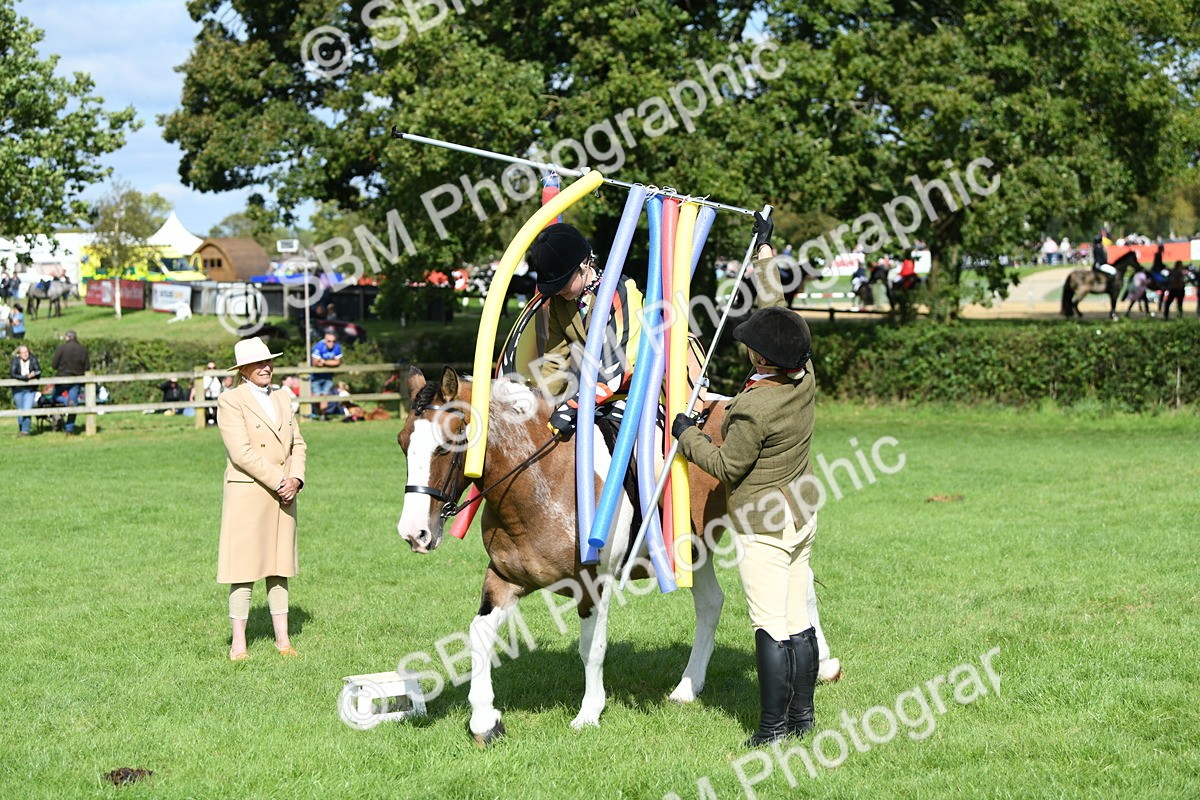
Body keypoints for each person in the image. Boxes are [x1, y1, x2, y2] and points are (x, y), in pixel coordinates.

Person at [672, 304, 820, 747]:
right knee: (798, 620)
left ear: (761, 358)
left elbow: (726, 466)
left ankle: (772, 729)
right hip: (802, 512)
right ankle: (802, 718)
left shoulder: (754, 407)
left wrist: (687, 434)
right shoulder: (805, 377)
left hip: (764, 525)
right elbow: (783, 332)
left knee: (770, 625)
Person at [217, 336, 307, 661]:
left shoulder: (283, 396)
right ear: (243, 370)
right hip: (250, 491)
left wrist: (296, 479)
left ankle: (283, 640)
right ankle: (239, 644)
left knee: (279, 567)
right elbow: (241, 452)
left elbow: (298, 443)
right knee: (242, 569)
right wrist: (280, 480)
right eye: (258, 363)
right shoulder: (230, 400)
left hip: (284, 495)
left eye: (268, 361)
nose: (266, 367)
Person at [523, 222, 643, 436]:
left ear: (584, 264)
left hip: (638, 389)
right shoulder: (560, 301)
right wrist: (534, 401)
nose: (557, 291)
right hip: (592, 394)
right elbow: (556, 360)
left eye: (562, 282)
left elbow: (620, 364)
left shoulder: (621, 292)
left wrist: (574, 406)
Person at [51, 330, 88, 434]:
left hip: (62, 378)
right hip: (76, 379)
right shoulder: (83, 349)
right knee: (74, 404)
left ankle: (66, 401)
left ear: (67, 337)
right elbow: (87, 367)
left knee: (54, 396)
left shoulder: (61, 348)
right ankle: (69, 429)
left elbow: (54, 365)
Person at [309, 328, 343, 419]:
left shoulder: (337, 347)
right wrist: (330, 362)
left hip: (328, 376)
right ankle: (318, 412)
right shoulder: (318, 346)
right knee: (317, 396)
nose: (331, 343)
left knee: (325, 395)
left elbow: (337, 362)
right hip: (315, 376)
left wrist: (324, 361)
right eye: (329, 341)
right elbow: (316, 363)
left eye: (333, 341)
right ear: (325, 340)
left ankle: (323, 415)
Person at [9, 344, 42, 436]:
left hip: (30, 390)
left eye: (26, 352)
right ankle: (21, 429)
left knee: (27, 409)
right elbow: (12, 374)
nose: (25, 354)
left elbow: (38, 371)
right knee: (20, 410)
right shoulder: (15, 361)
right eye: (23, 352)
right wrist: (26, 377)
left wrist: (34, 374)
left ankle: (25, 431)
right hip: (18, 390)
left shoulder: (33, 359)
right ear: (19, 354)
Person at [203, 361, 222, 426]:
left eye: (214, 368)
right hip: (206, 399)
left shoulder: (218, 378)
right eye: (209, 368)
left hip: (217, 399)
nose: (212, 370)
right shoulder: (203, 378)